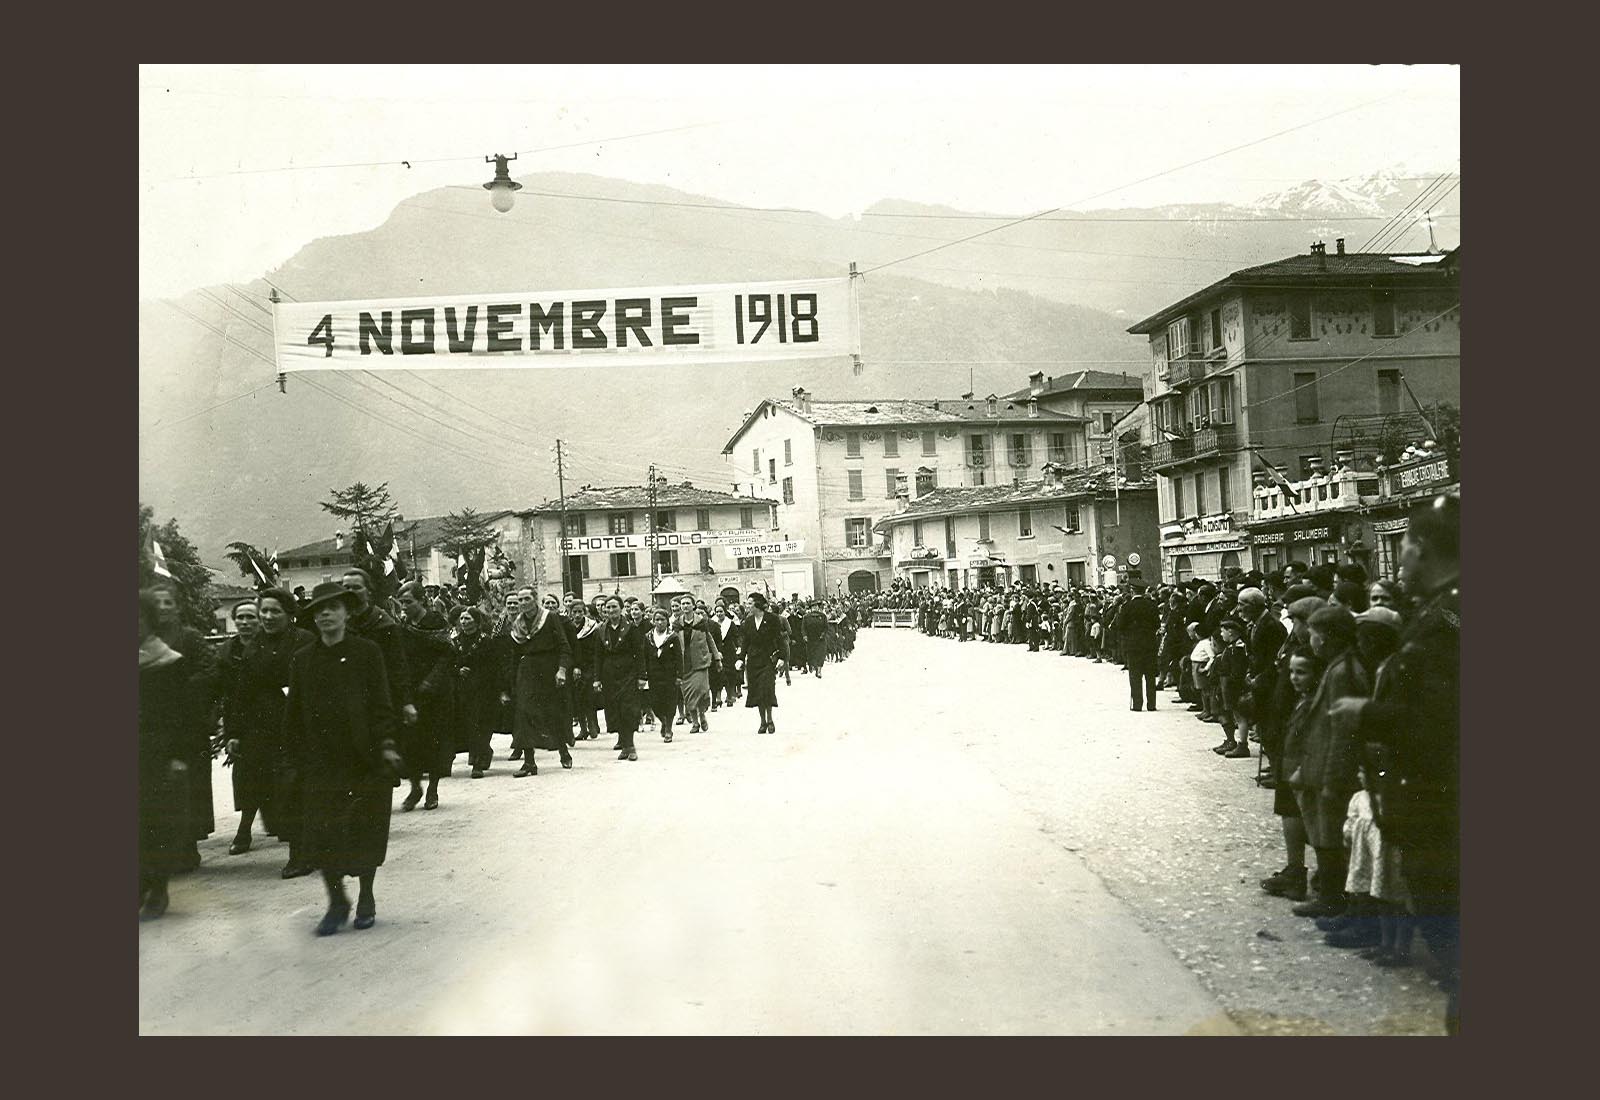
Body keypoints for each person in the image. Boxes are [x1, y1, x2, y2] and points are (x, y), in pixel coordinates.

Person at [1333, 494, 1460, 1033]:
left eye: (1404, 544)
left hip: (1444, 808)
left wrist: (1370, 713)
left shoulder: (1444, 619)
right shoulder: (1440, 611)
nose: (1400, 556)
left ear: (1423, 548)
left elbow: (1442, 720)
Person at [282, 582, 403, 936]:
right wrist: (291, 758)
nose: (325, 614)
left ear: (347, 612)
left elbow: (382, 704)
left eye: (333, 607)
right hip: (320, 761)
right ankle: (337, 902)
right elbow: (295, 712)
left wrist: (387, 744)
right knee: (322, 832)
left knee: (366, 828)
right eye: (319, 610)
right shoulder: (304, 659)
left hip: (363, 758)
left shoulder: (367, 652)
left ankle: (365, 895)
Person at [224, 590, 316, 871]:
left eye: (274, 611)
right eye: (264, 611)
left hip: (302, 724)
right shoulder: (255, 646)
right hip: (263, 728)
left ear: (290, 615)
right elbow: (242, 693)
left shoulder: (305, 640)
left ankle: (300, 854)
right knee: (276, 790)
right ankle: (298, 847)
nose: (267, 617)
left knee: (299, 788)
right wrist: (235, 732)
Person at [139, 591, 206, 920]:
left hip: (159, 753)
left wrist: (179, 756)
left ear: (150, 623)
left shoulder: (169, 661)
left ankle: (158, 886)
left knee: (156, 821)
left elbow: (186, 715)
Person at [145, 583, 217, 867]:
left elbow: (211, 672)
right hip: (155, 728)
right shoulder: (143, 640)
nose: (162, 607)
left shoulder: (190, 637)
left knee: (191, 786)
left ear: (178, 607)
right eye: (157, 603)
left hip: (188, 726)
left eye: (168, 602)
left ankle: (188, 847)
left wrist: (178, 689)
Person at [394, 581, 454, 811]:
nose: (404, 606)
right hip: (411, 688)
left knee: (434, 740)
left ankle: (432, 789)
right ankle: (415, 786)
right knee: (410, 742)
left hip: (435, 690)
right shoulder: (404, 623)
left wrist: (431, 681)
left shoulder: (435, 621)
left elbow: (447, 653)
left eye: (408, 602)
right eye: (402, 602)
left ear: (421, 601)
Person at [508, 592, 574, 775]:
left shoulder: (549, 618)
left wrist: (562, 670)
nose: (523, 603)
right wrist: (512, 682)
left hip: (547, 669)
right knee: (524, 714)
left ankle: (563, 751)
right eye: (520, 600)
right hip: (527, 671)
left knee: (552, 713)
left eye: (526, 599)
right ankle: (529, 763)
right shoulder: (517, 624)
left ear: (535, 600)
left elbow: (564, 646)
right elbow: (514, 654)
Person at [444, 606, 506, 779]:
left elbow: (495, 666)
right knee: (467, 724)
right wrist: (458, 670)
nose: (464, 622)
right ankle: (483, 752)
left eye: (468, 619)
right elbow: (449, 664)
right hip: (462, 690)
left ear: (477, 622)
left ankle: (477, 763)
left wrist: (499, 689)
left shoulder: (486, 641)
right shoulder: (455, 642)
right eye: (462, 619)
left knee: (480, 724)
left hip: (484, 690)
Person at [594, 595, 646, 761]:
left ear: (622, 608)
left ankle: (630, 746)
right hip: (609, 675)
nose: (610, 611)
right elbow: (597, 656)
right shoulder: (601, 629)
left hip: (628, 673)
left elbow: (640, 654)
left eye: (614, 607)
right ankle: (624, 745)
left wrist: (641, 676)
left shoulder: (631, 628)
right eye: (607, 608)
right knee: (615, 710)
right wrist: (597, 678)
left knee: (628, 709)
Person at [738, 592, 789, 734]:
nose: (747, 606)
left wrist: (781, 658)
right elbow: (745, 642)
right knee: (757, 692)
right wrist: (741, 658)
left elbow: (779, 639)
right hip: (753, 661)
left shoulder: (772, 619)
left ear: (757, 605)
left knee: (766, 689)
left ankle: (770, 719)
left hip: (768, 659)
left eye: (749, 604)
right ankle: (762, 721)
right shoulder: (748, 622)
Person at [1113, 584, 1160, 712]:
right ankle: (1151, 704)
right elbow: (1157, 623)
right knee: (1150, 675)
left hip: (1133, 645)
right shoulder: (1151, 605)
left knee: (1135, 675)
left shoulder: (1127, 606)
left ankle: (1137, 704)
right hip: (1149, 644)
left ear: (1133, 591)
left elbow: (1120, 625)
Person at [679, 606, 720, 733]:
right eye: (683, 603)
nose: (685, 606)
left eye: (688, 603)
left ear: (692, 606)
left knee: (702, 691)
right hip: (684, 664)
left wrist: (717, 658)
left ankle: (702, 713)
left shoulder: (701, 623)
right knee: (689, 694)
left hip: (700, 662)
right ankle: (695, 722)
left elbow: (710, 640)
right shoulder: (677, 624)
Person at [567, 602, 603, 742]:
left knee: (588, 696)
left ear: (585, 612)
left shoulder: (592, 627)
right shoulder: (569, 627)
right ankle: (583, 728)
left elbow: (596, 649)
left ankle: (592, 724)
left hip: (588, 665)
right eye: (574, 612)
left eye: (580, 612)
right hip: (574, 666)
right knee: (577, 697)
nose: (577, 615)